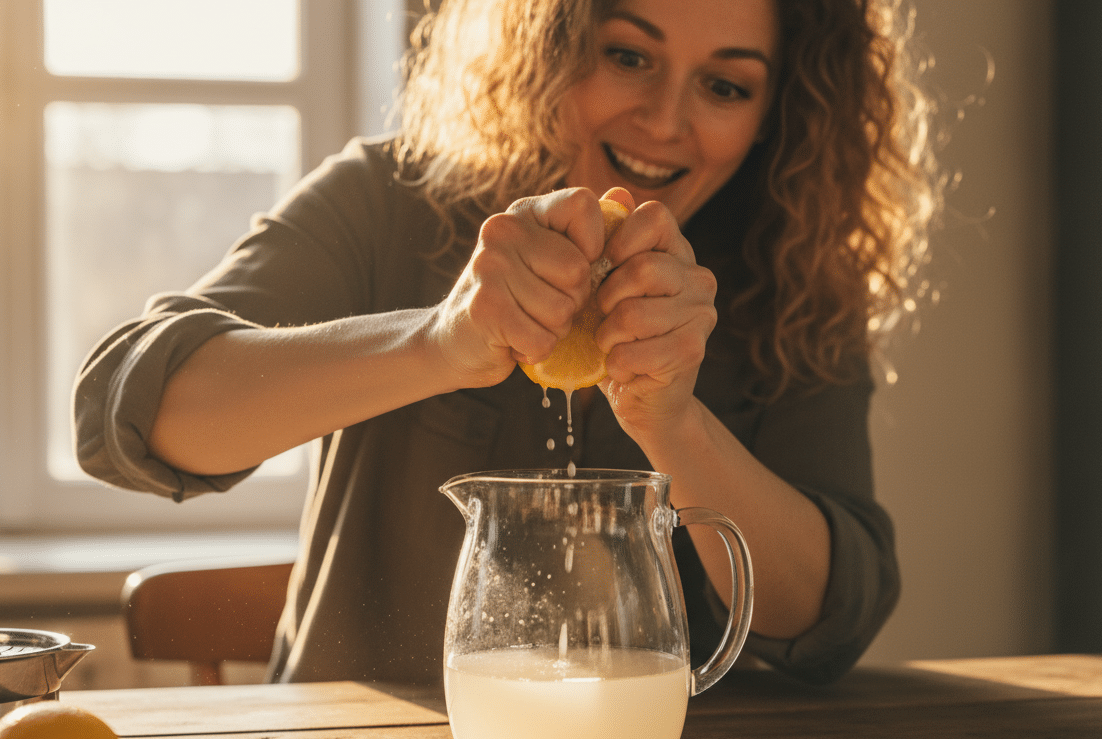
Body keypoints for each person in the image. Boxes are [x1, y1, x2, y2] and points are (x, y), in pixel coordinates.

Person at [75, 0, 940, 687]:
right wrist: (438, 343)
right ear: (552, 41)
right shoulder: (393, 199)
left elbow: (830, 619)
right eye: (628, 56)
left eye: (725, 87)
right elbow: (131, 414)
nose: (666, 121)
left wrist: (676, 425)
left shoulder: (788, 276)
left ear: (774, 112)